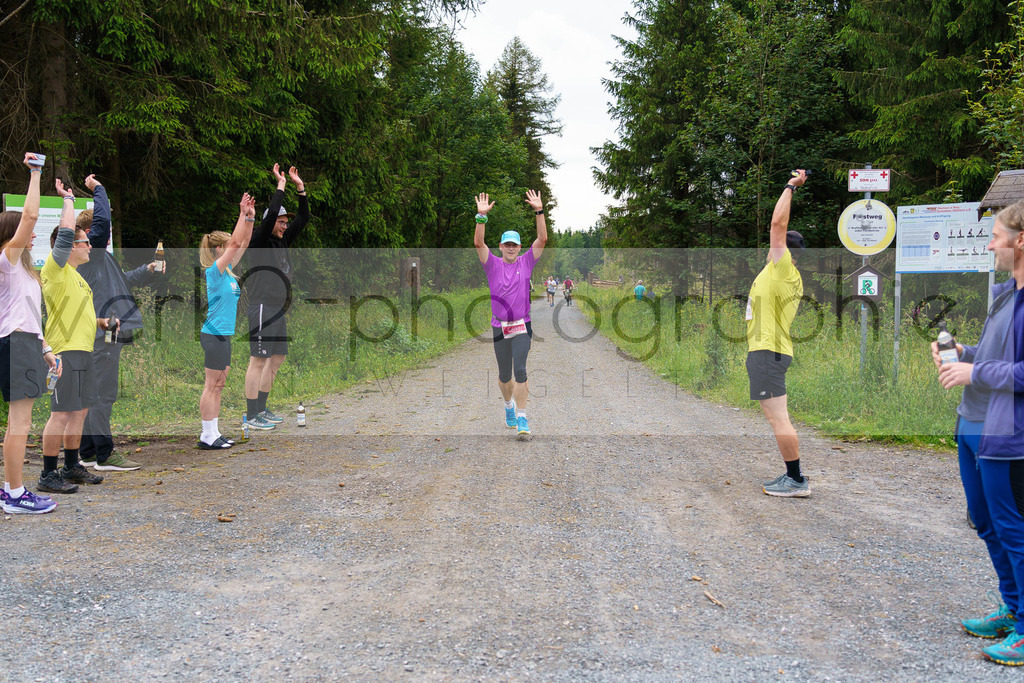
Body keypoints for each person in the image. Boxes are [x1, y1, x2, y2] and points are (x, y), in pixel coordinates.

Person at [933, 200, 1024, 666]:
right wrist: (963, 353)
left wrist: (976, 372)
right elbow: (995, 354)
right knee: (986, 523)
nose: (989, 244)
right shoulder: (1006, 292)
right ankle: (1014, 610)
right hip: (973, 424)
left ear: (1020, 240)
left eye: (995, 235)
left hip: (1009, 434)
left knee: (1015, 529)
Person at [77, 174, 157, 472]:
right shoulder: (91, 255)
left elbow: (122, 281)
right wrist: (99, 189)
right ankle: (105, 455)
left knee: (96, 389)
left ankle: (87, 452)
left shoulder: (101, 259)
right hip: (103, 331)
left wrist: (147, 270)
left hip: (110, 330)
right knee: (103, 391)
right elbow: (100, 227)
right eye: (98, 232)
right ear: (87, 233)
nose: (105, 236)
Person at [38, 178, 113, 494]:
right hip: (64, 353)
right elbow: (66, 233)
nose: (90, 246)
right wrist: (68, 200)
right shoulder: (55, 270)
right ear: (68, 246)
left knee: (80, 410)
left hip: (84, 349)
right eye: (84, 242)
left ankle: (71, 467)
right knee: (62, 412)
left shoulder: (78, 278)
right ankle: (47, 473)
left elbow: (76, 315)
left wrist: (100, 323)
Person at [1, 153, 59, 513]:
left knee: (19, 421)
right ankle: (15, 494)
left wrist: (46, 348)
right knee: (20, 422)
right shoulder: (6, 261)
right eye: (24, 231)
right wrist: (36, 173)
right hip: (15, 344)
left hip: (25, 343)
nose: (33, 232)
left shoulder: (23, 271)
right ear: (11, 235)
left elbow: (29, 316)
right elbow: (31, 215)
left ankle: (12, 490)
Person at [745, 169, 809, 497]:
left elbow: (777, 226)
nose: (773, 245)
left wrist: (789, 187)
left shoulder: (785, 268)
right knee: (776, 418)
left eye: (780, 245)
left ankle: (796, 480)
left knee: (779, 419)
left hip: (768, 352)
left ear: (788, 251)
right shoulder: (774, 271)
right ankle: (793, 476)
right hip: (767, 352)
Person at [474, 190, 548, 436]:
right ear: (501, 246)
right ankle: (508, 405)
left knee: (521, 370)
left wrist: (539, 211)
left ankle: (523, 417)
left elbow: (542, 239)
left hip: (522, 325)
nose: (510, 248)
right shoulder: (492, 264)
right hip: (499, 326)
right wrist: (481, 217)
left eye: (514, 245)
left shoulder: (526, 262)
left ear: (519, 247)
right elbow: (478, 243)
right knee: (505, 376)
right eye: (507, 244)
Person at [243, 164, 309, 431]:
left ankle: (263, 407)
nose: (284, 226)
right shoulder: (258, 241)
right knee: (258, 360)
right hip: (261, 307)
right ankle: (251, 415)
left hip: (278, 309)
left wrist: (300, 188)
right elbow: (268, 220)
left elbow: (303, 219)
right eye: (281, 222)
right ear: (271, 222)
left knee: (277, 357)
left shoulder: (282, 240)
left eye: (284, 223)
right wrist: (280, 186)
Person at [198, 193, 256, 449]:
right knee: (212, 385)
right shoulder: (215, 271)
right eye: (228, 247)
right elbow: (235, 241)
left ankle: (214, 431)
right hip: (213, 335)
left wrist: (250, 219)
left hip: (224, 334)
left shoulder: (229, 271)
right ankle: (206, 434)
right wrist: (241, 214)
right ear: (220, 250)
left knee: (220, 384)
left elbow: (242, 242)